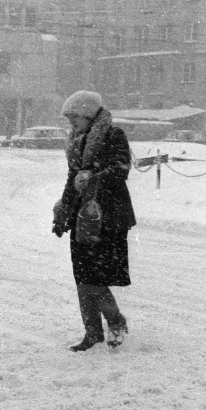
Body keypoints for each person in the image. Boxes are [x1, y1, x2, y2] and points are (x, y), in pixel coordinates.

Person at [52, 90, 136, 352]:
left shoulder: (113, 135)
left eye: (74, 117)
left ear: (88, 115)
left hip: (108, 216)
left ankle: (115, 322)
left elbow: (120, 170)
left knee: (94, 279)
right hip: (83, 218)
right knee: (83, 279)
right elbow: (72, 178)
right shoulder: (77, 139)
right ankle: (92, 333)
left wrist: (93, 178)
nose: (71, 123)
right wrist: (62, 210)